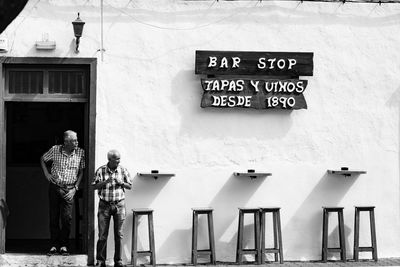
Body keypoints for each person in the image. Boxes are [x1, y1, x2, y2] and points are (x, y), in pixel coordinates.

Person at [40, 130, 85, 256]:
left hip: (69, 189)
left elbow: (82, 172)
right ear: (66, 142)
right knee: (54, 217)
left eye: (76, 140)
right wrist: (46, 174)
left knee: (67, 219)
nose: (77, 142)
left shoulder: (81, 152)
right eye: (74, 140)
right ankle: (54, 245)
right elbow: (42, 159)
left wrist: (75, 188)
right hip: (55, 187)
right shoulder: (55, 150)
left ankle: (64, 245)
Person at [93, 150, 132, 267]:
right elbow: (94, 186)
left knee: (119, 234)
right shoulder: (101, 170)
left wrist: (121, 183)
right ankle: (100, 261)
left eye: (119, 159)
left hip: (119, 204)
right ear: (110, 160)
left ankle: (118, 261)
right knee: (102, 235)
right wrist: (105, 182)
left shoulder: (123, 170)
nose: (119, 161)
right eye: (117, 159)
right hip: (104, 205)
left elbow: (130, 186)